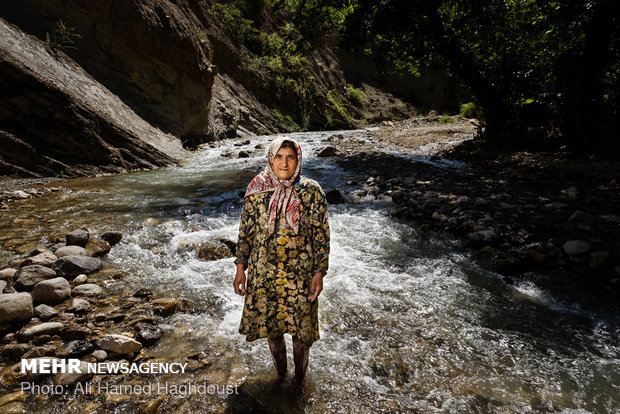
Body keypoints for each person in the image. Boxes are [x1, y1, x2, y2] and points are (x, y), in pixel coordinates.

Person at [233, 137, 330, 385]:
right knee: (272, 329)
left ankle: (299, 379)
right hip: (265, 273)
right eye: (279, 156)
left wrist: (319, 272)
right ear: (270, 158)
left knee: (301, 333)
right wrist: (240, 269)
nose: (284, 163)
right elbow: (246, 233)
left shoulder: (312, 191)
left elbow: (321, 236)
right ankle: (280, 374)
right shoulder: (257, 189)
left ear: (298, 159)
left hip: (301, 274)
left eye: (290, 157)